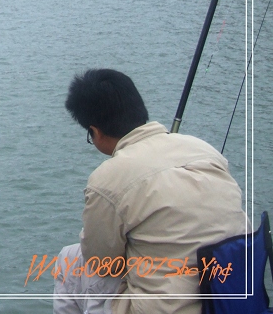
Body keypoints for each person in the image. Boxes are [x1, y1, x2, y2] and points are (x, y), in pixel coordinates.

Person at [53, 68, 248, 314]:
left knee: (70, 259)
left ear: (96, 131)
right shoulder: (204, 150)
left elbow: (101, 264)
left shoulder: (107, 179)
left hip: (165, 308)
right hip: (231, 297)